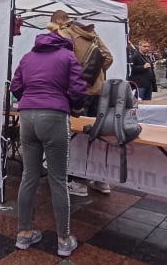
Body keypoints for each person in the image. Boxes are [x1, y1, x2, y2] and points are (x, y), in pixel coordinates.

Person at [9, 31, 88, 258]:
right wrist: (74, 105)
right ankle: (63, 240)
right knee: (58, 179)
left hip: (27, 116)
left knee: (29, 176)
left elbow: (15, 86)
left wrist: (29, 98)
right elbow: (78, 89)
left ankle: (24, 233)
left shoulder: (28, 57)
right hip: (54, 115)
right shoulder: (67, 56)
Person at [48, 10, 114, 196]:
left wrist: (78, 78)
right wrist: (94, 74)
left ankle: (78, 182)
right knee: (95, 136)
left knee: (76, 138)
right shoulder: (91, 33)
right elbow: (108, 57)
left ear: (57, 21)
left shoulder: (65, 33)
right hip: (99, 92)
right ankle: (101, 179)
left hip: (78, 93)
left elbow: (62, 62)